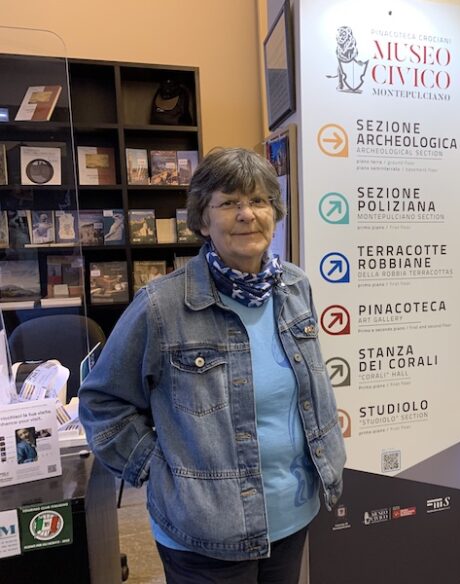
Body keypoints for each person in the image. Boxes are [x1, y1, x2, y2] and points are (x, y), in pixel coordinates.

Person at [79, 147, 346, 584]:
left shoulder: (295, 286)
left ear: (274, 213)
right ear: (203, 220)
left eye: (259, 201)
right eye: (229, 203)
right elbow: (102, 403)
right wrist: (157, 469)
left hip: (292, 512)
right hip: (205, 530)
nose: (247, 214)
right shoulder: (162, 306)